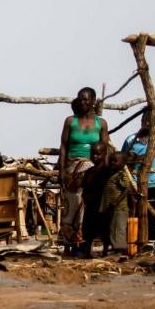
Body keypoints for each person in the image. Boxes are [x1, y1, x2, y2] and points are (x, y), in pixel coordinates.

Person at [59, 88, 109, 251]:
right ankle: (69, 242)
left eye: (86, 99)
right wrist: (61, 170)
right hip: (72, 169)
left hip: (91, 170)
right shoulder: (70, 121)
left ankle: (83, 242)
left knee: (87, 206)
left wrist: (105, 171)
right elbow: (64, 146)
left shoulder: (100, 123)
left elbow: (105, 148)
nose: (83, 102)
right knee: (71, 204)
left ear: (94, 101)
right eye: (80, 99)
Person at [122, 112, 155, 241]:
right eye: (145, 121)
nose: (148, 124)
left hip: (153, 182)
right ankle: (133, 241)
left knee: (152, 215)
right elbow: (124, 160)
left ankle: (150, 241)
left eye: (151, 122)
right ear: (141, 122)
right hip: (135, 182)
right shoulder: (131, 140)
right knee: (134, 213)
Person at [79, 142, 114, 257]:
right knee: (88, 230)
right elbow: (84, 186)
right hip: (90, 205)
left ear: (104, 154)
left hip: (103, 205)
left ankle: (104, 252)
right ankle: (88, 251)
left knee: (104, 228)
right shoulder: (89, 171)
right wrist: (85, 197)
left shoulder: (107, 171)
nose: (95, 157)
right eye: (93, 154)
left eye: (98, 154)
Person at [99, 153, 137, 256]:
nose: (112, 163)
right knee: (113, 228)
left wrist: (117, 201)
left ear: (123, 163)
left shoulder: (122, 174)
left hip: (120, 207)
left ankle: (120, 250)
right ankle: (116, 249)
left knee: (118, 229)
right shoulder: (113, 174)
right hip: (113, 208)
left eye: (115, 161)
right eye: (111, 160)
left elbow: (127, 189)